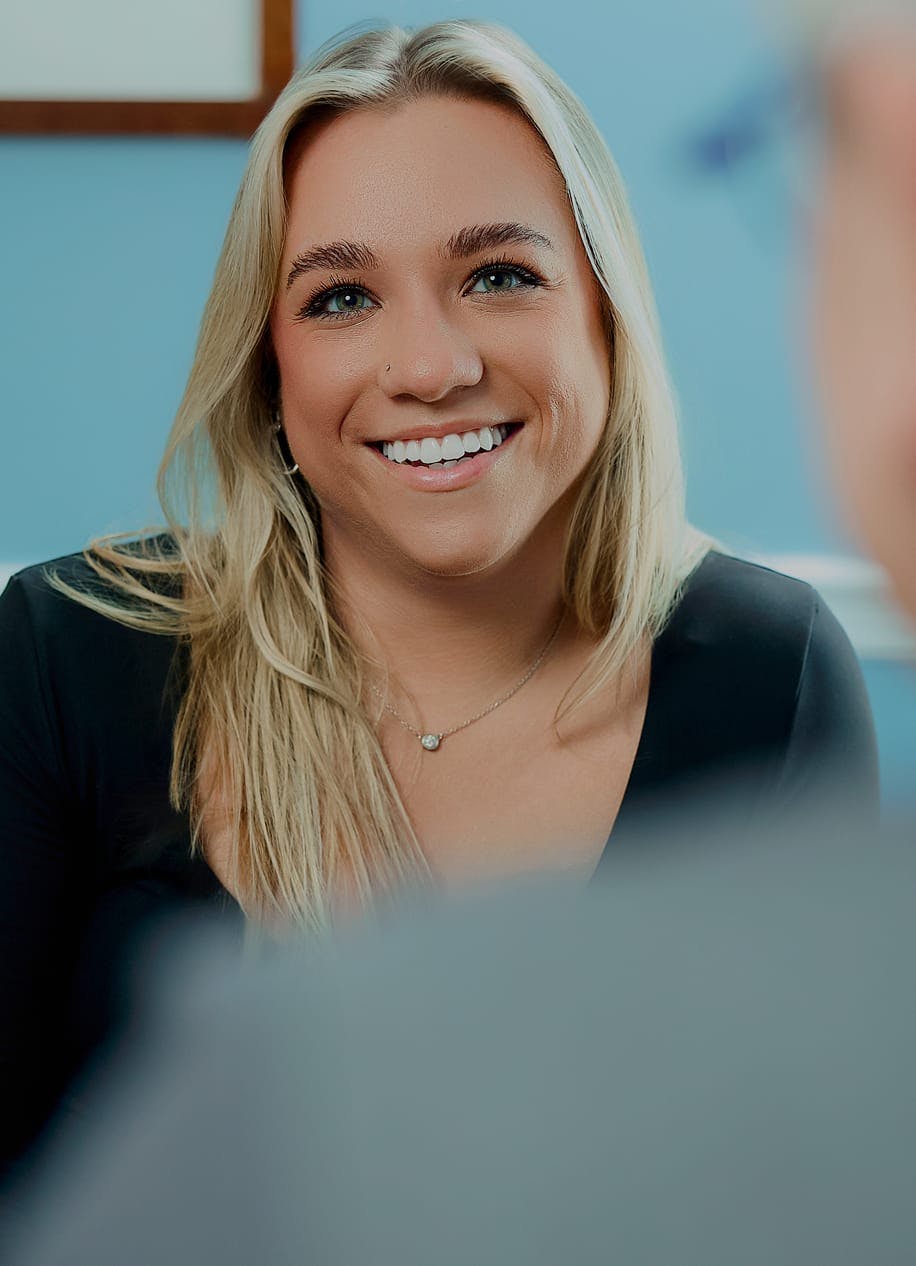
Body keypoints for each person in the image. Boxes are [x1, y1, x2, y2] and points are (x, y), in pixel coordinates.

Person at [0, 19, 878, 1180]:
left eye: (500, 276)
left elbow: (806, 1196)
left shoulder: (775, 673)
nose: (429, 367)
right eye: (338, 299)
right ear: (268, 368)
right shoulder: (68, 652)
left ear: (604, 319)